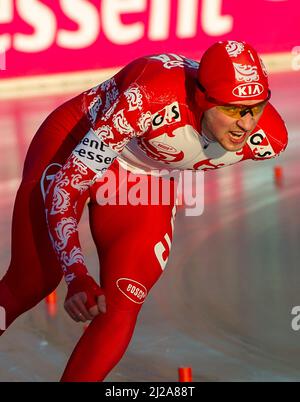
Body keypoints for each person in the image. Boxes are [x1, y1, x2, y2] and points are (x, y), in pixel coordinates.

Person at [0, 40, 288, 381]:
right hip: (78, 141)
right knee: (33, 280)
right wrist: (76, 273)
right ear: (201, 97)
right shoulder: (149, 98)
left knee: (122, 300)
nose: (245, 124)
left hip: (145, 175)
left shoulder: (268, 140)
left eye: (254, 108)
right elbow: (67, 186)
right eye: (231, 109)